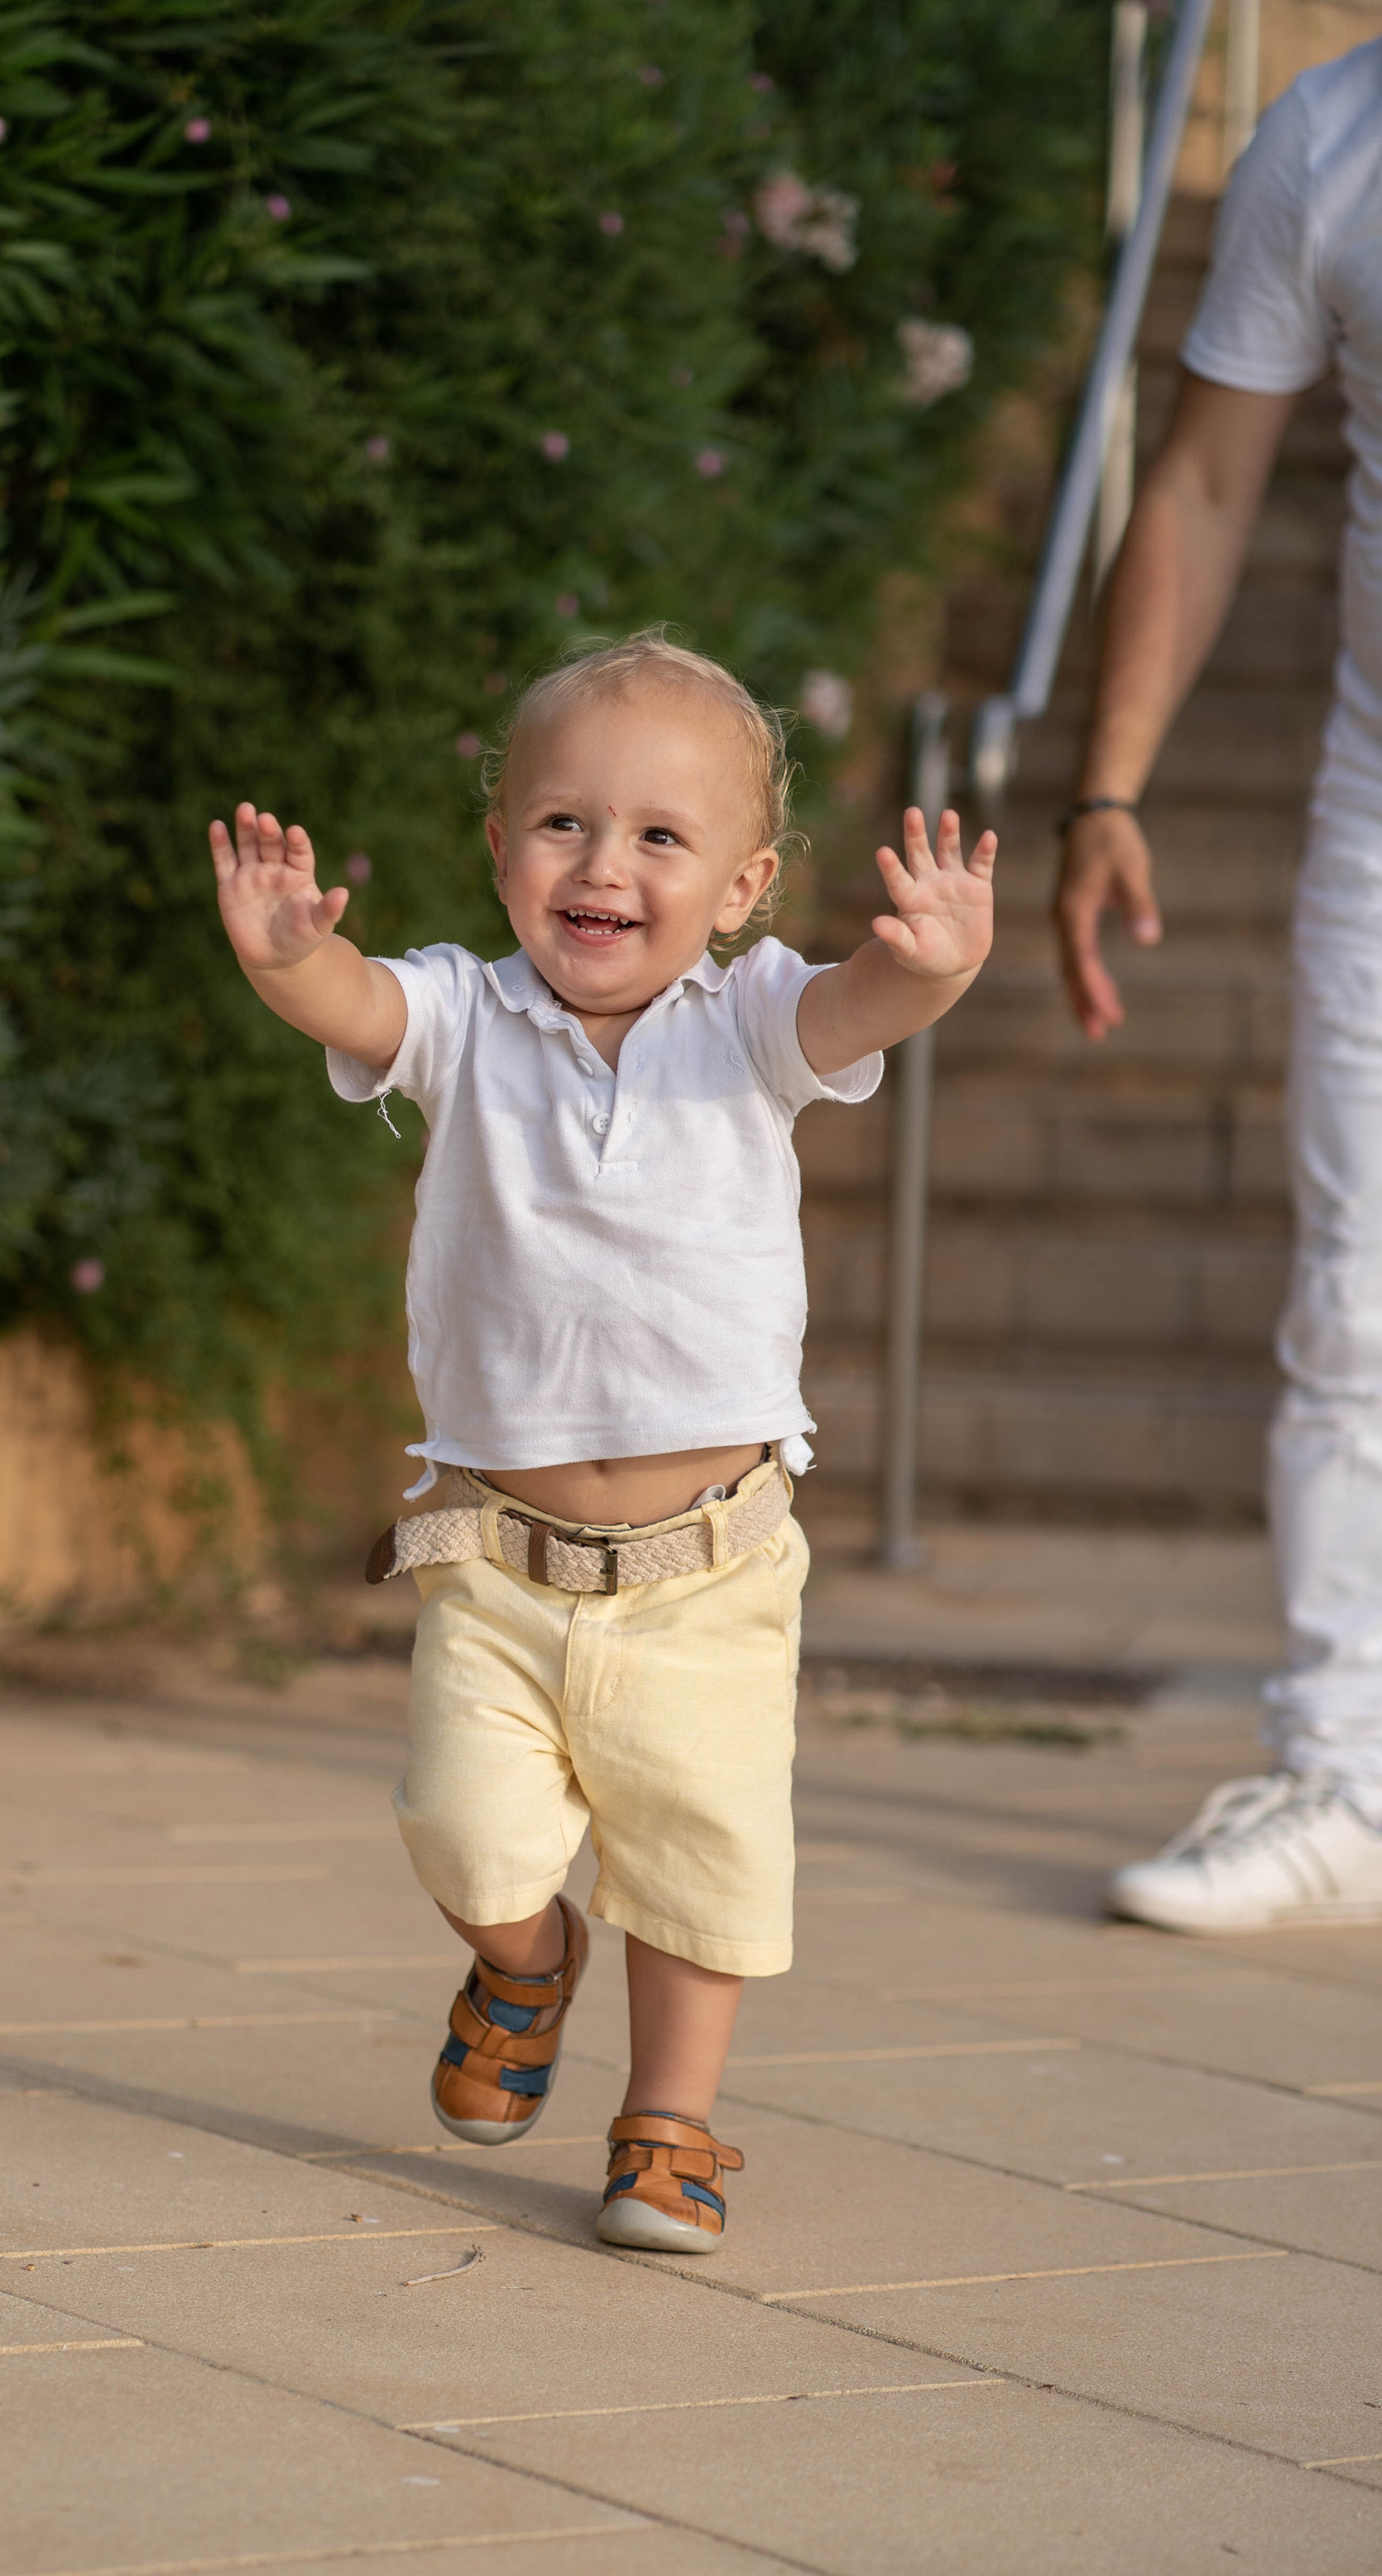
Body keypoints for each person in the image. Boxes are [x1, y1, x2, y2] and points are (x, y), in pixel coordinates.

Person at [210, 629, 996, 2251]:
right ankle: (521, 1963)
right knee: (459, 1826)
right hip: (493, 1559)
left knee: (699, 1853)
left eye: (658, 837)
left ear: (738, 885)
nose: (601, 865)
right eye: (561, 823)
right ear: (499, 848)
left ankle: (667, 2126)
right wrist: (283, 954)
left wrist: (933, 960)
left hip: (707, 1569)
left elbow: (869, 1005)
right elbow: (343, 997)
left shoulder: (750, 1023)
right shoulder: (458, 1018)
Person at [1058, 31, 1382, 1935]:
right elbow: (1193, 486)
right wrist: (1104, 784)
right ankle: (1350, 1777)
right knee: (1357, 1306)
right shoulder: (1336, 132)